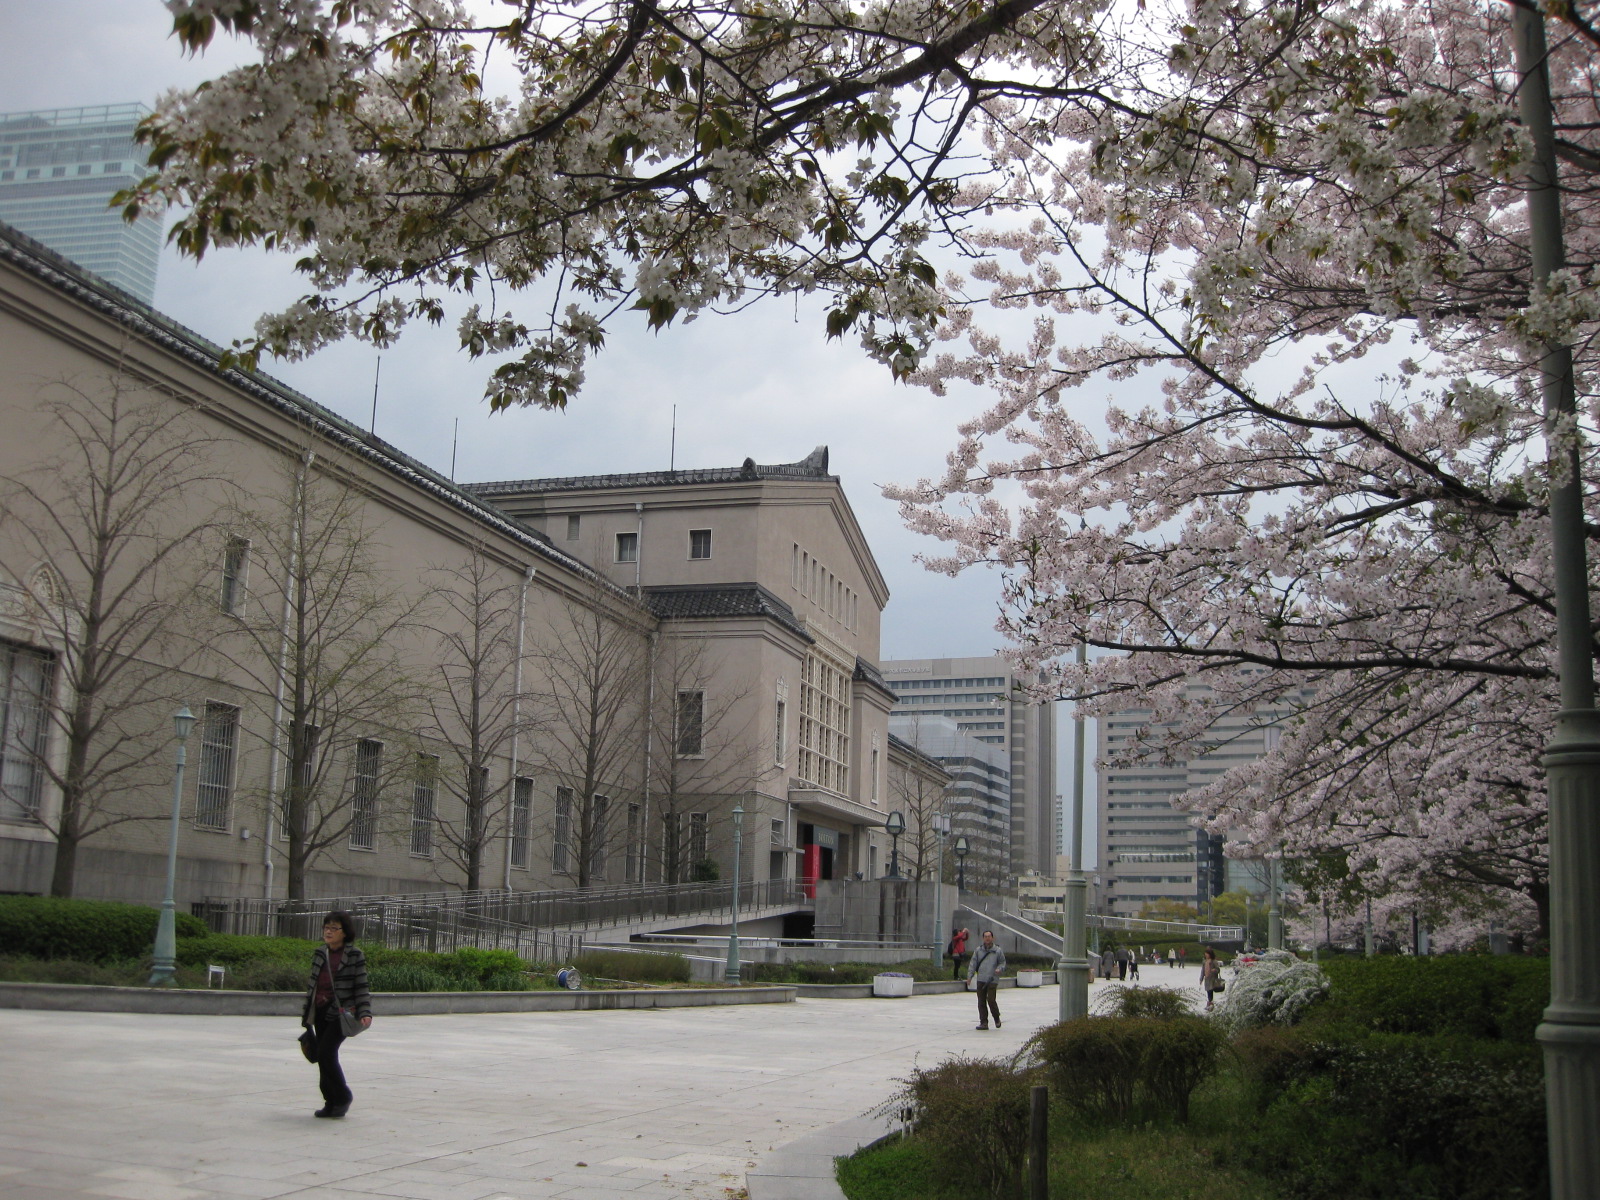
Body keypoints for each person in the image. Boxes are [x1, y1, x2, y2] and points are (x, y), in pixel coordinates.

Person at [302, 910, 372, 1118]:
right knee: (322, 1057)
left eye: (334, 928)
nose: (329, 932)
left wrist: (365, 1012)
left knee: (326, 1053)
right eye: (326, 927)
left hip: (342, 1013)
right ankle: (330, 1102)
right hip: (320, 1011)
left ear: (344, 932)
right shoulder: (320, 953)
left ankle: (342, 1096)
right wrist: (307, 1013)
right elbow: (312, 985)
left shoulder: (354, 955)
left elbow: (361, 986)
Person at [968, 930, 1006, 1030]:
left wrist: (999, 969)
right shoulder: (978, 950)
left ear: (992, 938)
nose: (987, 938)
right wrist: (970, 976)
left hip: (992, 979)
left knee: (991, 1000)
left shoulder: (997, 950)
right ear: (983, 938)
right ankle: (983, 1022)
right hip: (981, 979)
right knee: (981, 1001)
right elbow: (973, 964)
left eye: (989, 936)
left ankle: (996, 1018)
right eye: (985, 936)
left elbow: (1002, 963)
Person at [1199, 946, 1223, 1011]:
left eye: (1207, 954)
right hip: (1207, 979)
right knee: (1208, 991)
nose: (1206, 955)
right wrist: (1201, 979)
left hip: (1212, 979)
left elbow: (1218, 970)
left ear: (1210, 954)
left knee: (1210, 991)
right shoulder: (1204, 961)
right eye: (1205, 954)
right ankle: (1210, 1003)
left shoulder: (1214, 961)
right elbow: (1202, 971)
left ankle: (1210, 1003)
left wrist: (1214, 970)